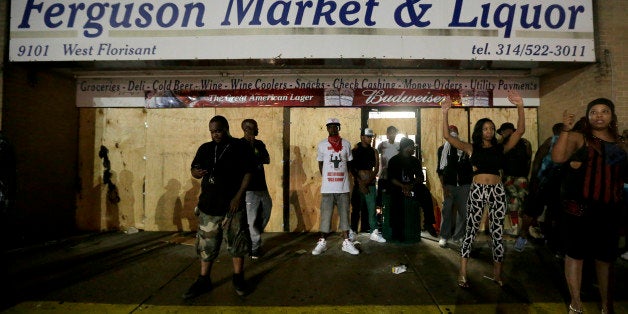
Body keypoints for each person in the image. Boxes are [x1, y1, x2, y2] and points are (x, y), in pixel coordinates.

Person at [441, 90, 525, 289]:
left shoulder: (500, 148)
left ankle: (497, 275)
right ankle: (462, 273)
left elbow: (520, 131)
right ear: (480, 131)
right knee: (471, 230)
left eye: (491, 128)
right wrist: (445, 112)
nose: (489, 131)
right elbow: (447, 136)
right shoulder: (471, 148)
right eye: (485, 128)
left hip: (497, 190)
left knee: (497, 232)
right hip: (477, 189)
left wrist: (520, 106)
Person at [551, 98, 627, 314]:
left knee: (606, 259)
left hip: (610, 209)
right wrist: (565, 129)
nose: (599, 115)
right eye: (594, 112)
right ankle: (575, 303)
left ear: (612, 116)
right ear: (588, 115)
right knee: (576, 255)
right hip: (580, 209)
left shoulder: (620, 142)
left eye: (604, 111)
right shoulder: (579, 137)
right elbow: (557, 158)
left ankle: (606, 305)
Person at [183, 115, 256, 299]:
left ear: (226, 128)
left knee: (237, 243)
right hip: (209, 206)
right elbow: (195, 170)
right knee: (206, 245)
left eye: (218, 130)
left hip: (232, 206)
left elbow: (248, 173)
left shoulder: (240, 147)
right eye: (212, 131)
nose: (215, 134)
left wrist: (238, 196)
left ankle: (238, 277)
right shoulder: (206, 148)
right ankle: (203, 279)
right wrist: (196, 173)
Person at [312, 118, 360, 255]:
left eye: (335, 127)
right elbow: (320, 163)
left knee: (345, 215)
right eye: (330, 127)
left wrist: (344, 175)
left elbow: (349, 164)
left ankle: (346, 242)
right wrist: (326, 177)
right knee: (326, 216)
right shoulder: (322, 145)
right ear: (327, 129)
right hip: (328, 188)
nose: (333, 129)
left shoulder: (346, 144)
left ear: (339, 128)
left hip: (343, 187)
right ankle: (322, 242)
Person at [515, 123, 564, 252]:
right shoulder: (551, 141)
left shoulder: (567, 143)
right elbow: (537, 160)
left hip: (552, 183)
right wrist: (534, 179)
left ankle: (547, 238)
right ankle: (524, 237)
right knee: (534, 211)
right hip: (543, 181)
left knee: (548, 212)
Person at [240, 119, 273, 259]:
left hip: (262, 187)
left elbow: (267, 159)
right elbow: (242, 163)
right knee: (251, 219)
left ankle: (252, 237)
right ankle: (254, 247)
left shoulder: (259, 144)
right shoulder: (239, 144)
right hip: (249, 189)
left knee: (266, 211)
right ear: (245, 129)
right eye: (253, 128)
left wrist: (255, 148)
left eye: (255, 128)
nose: (255, 130)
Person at [437, 125, 473, 248]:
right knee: (446, 211)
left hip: (464, 185)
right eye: (450, 132)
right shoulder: (442, 149)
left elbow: (471, 167)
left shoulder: (465, 147)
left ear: (457, 134)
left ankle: (458, 236)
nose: (452, 134)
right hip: (449, 185)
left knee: (464, 212)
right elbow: (440, 170)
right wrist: (444, 187)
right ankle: (444, 236)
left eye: (454, 132)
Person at [384, 137, 425, 243]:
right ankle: (397, 232)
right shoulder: (394, 160)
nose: (414, 150)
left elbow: (420, 177)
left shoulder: (415, 161)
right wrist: (403, 186)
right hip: (397, 187)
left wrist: (410, 186)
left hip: (411, 186)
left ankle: (429, 222)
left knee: (424, 191)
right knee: (396, 200)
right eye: (412, 147)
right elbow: (391, 179)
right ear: (406, 148)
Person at [350, 128, 386, 242]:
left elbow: (376, 168)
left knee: (372, 209)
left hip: (369, 184)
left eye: (371, 137)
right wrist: (361, 183)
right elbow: (352, 168)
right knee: (356, 209)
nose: (370, 138)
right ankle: (353, 231)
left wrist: (367, 183)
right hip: (358, 184)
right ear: (362, 137)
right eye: (368, 136)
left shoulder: (374, 151)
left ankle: (374, 232)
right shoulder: (355, 150)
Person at [497, 122, 533, 236]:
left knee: (513, 203)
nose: (502, 134)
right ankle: (524, 229)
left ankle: (516, 228)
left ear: (507, 131)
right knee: (522, 203)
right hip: (522, 178)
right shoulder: (526, 143)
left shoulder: (503, 143)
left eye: (502, 132)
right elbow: (528, 159)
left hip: (509, 178)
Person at [376, 126, 400, 211]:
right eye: (390, 132)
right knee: (382, 199)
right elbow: (374, 153)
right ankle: (381, 216)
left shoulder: (399, 146)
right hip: (384, 176)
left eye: (394, 132)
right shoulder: (382, 145)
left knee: (394, 199)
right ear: (387, 134)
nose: (392, 135)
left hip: (396, 176)